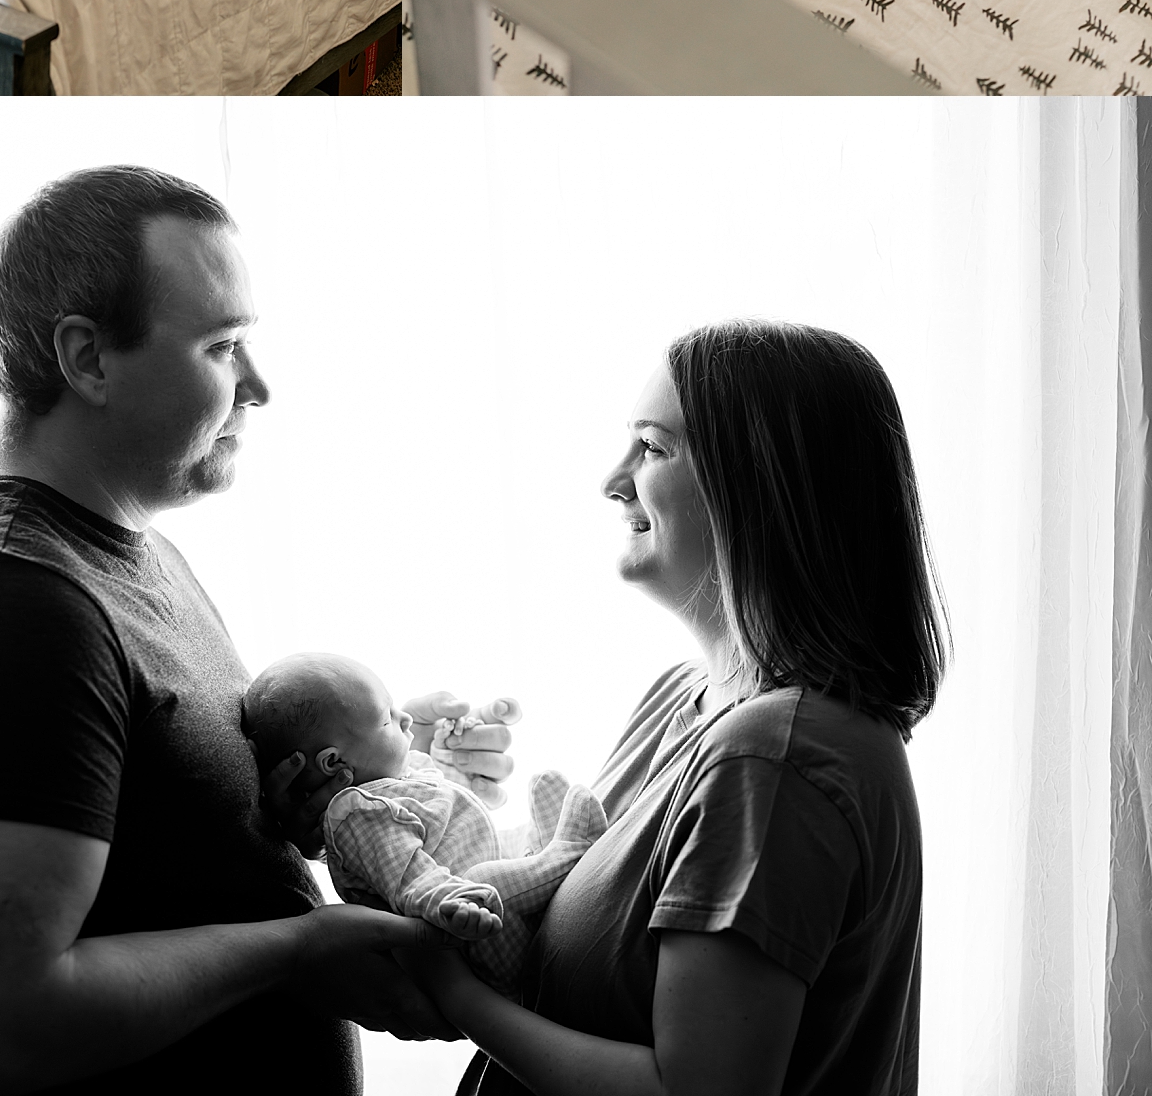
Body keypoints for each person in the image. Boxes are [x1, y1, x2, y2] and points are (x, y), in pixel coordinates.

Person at [0, 165, 513, 1096]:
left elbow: (190, 844)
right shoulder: (3, 604)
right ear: (88, 359)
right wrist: (296, 951)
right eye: (223, 346)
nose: (260, 384)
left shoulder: (129, 549)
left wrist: (378, 760)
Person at [400, 320, 950, 1096]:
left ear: (763, 483)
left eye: (653, 447)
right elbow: (583, 942)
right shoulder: (682, 697)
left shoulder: (774, 756)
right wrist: (441, 795)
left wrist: (451, 987)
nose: (612, 479)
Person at [244, 653, 604, 992]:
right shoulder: (357, 816)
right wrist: (448, 900)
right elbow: (408, 875)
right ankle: (560, 858)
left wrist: (447, 748)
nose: (406, 719)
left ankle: (536, 851)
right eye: (388, 717)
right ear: (333, 763)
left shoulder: (393, 783)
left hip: (484, 883)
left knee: (524, 817)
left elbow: (446, 807)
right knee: (482, 879)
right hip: (476, 931)